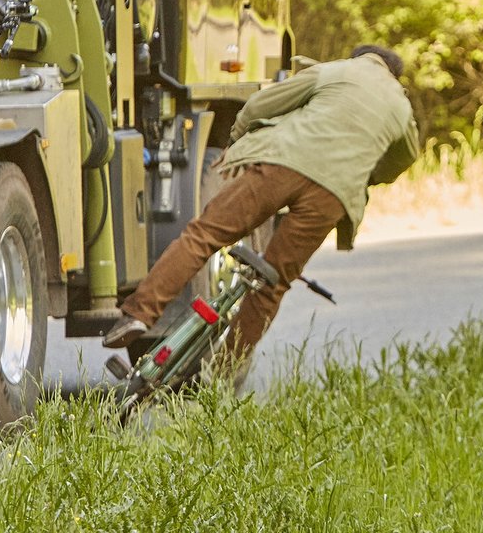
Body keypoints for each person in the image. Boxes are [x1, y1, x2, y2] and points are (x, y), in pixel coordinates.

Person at [103, 44, 420, 371]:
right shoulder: (400, 104)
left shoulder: (334, 70)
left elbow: (262, 103)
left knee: (204, 236)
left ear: (359, 57)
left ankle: (139, 315)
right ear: (393, 73)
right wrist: (368, 175)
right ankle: (222, 376)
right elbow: (406, 155)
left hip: (281, 166)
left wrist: (237, 139)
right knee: (273, 284)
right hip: (333, 196)